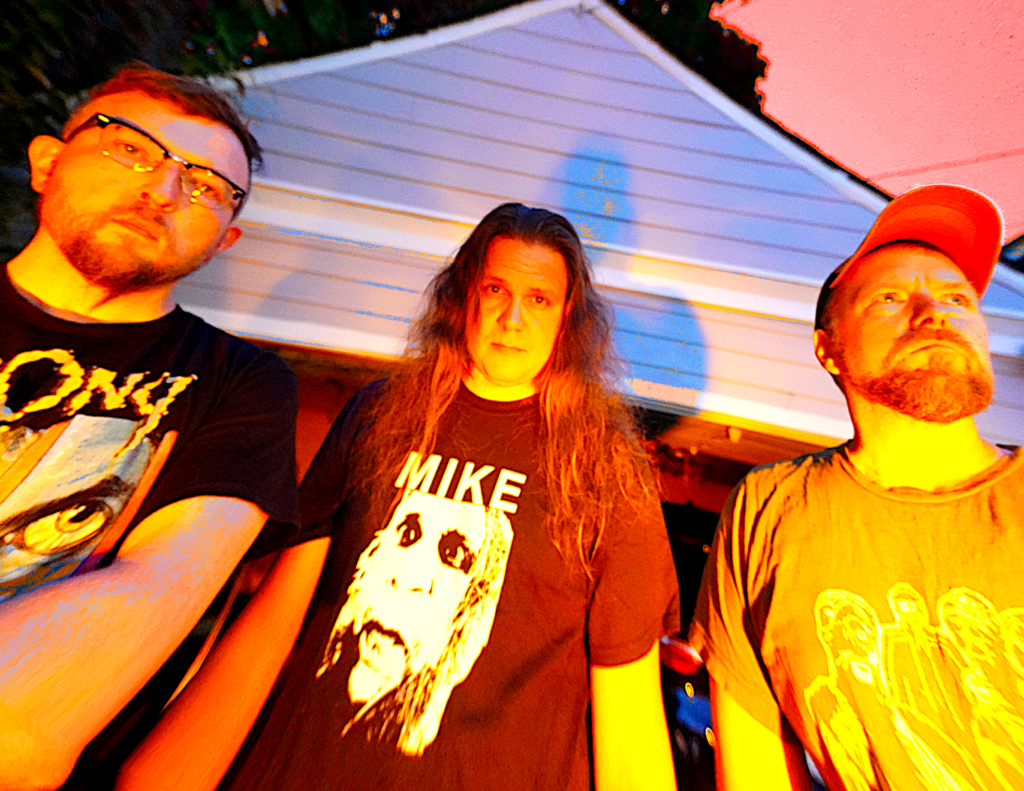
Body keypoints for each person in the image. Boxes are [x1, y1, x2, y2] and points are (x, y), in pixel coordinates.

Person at [118, 203, 680, 791]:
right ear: (465, 295)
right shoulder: (381, 412)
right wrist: (167, 768)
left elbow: (627, 695)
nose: (513, 316)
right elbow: (280, 613)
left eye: (538, 299)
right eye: (496, 289)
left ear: (569, 317)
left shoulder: (605, 464)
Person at [0, 63, 299, 789]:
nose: (162, 190)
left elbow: (150, 589)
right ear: (47, 161)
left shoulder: (238, 384)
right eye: (132, 148)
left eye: (203, 184)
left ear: (227, 236)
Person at [689, 184, 1024, 791]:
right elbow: (754, 766)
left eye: (957, 298)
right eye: (890, 299)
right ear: (829, 348)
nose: (934, 314)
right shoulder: (770, 510)